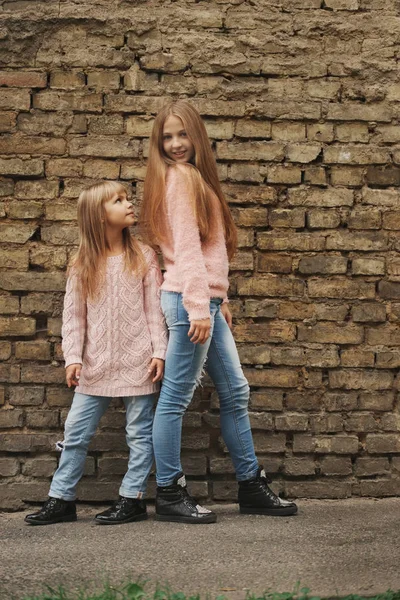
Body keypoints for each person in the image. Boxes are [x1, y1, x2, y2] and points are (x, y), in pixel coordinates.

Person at [140, 99, 298, 524]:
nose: (175, 144)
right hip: (189, 301)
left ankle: (250, 485)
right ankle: (170, 493)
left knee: (235, 391)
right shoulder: (179, 179)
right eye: (167, 137)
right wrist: (198, 307)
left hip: (204, 300)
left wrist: (219, 301)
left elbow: (210, 250)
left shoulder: (194, 178)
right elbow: (187, 250)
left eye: (182, 134)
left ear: (198, 136)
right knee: (174, 398)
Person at [25, 181, 167, 526]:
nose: (129, 203)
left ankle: (131, 498)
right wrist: (73, 357)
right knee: (75, 432)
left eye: (126, 198)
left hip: (138, 360)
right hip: (95, 364)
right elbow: (73, 316)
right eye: (118, 201)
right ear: (98, 216)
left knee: (139, 433)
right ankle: (61, 499)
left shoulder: (144, 256)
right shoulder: (82, 263)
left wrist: (159, 351)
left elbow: (154, 311)